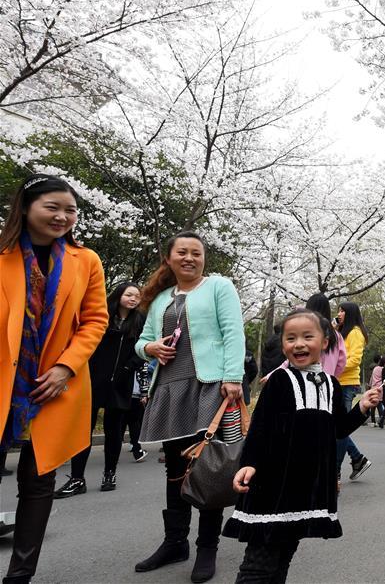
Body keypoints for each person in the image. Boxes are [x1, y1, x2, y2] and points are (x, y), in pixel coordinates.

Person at [0, 174, 108, 584]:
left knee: (38, 480)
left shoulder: (87, 261)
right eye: (53, 207)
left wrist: (67, 366)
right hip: (4, 382)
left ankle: (19, 576)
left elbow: (96, 319)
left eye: (71, 210)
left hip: (55, 385)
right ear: (26, 208)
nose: (63, 216)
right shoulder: (3, 253)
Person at [223, 308, 381, 583]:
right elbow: (259, 427)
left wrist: (362, 407)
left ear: (325, 342)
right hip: (272, 485)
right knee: (259, 562)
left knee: (284, 554)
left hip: (305, 488)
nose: (298, 344)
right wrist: (248, 463)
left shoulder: (331, 384)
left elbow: (339, 429)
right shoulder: (279, 381)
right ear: (283, 344)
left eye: (308, 336)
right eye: (290, 338)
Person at [133, 231, 245, 583]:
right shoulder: (161, 297)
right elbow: (142, 341)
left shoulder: (218, 287)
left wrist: (233, 376)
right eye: (181, 252)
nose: (189, 258)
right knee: (175, 469)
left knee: (208, 467)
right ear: (169, 258)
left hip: (210, 386)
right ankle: (175, 542)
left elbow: (233, 332)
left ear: (203, 259)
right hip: (168, 389)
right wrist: (150, 349)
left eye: (196, 253)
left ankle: (206, 548)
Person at [54, 281, 146, 499]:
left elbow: (143, 348)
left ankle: (110, 474)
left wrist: (127, 367)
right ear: (118, 295)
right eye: (129, 295)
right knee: (82, 431)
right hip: (93, 379)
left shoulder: (140, 321)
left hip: (122, 381)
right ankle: (77, 479)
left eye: (136, 296)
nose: (133, 299)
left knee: (114, 431)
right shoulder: (101, 315)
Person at [335, 301, 371, 483]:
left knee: (340, 429)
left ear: (349, 313)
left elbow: (354, 360)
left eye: (342, 311)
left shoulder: (355, 333)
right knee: (338, 427)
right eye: (338, 310)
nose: (339, 313)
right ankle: (357, 458)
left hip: (346, 383)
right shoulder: (342, 332)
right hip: (337, 382)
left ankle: (335, 471)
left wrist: (334, 367)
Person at [368, 355, 385, 426]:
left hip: (373, 387)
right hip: (380, 388)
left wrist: (369, 386)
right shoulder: (382, 369)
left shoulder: (375, 369)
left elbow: (372, 378)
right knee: (379, 404)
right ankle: (381, 420)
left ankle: (373, 421)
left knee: (373, 405)